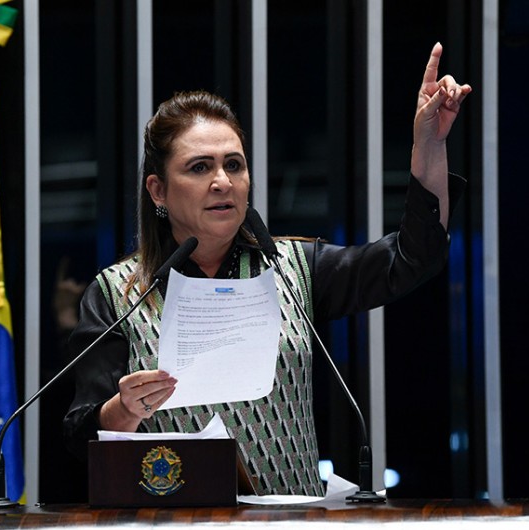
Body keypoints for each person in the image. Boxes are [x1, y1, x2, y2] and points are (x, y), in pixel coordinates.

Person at [63, 42, 471, 497]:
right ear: (158, 191)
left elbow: (415, 257)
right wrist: (125, 408)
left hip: (291, 520)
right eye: (200, 167)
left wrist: (429, 144)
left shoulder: (294, 269)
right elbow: (82, 435)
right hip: (175, 524)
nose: (222, 181)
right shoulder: (119, 293)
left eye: (233, 165)